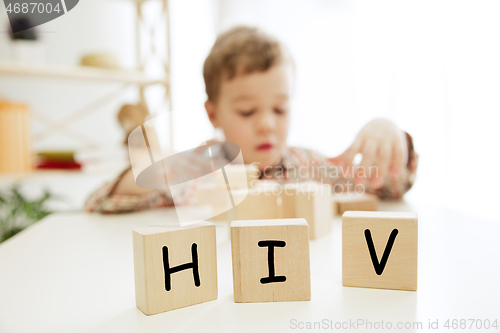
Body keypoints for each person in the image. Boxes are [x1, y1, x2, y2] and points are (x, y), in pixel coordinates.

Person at [84, 26, 418, 214]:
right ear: (213, 114)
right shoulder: (200, 173)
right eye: (247, 112)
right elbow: (100, 201)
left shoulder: (311, 166)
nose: (267, 125)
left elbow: (390, 188)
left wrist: (389, 134)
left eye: (280, 109)